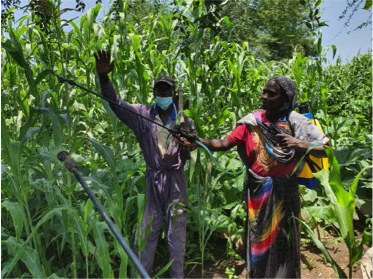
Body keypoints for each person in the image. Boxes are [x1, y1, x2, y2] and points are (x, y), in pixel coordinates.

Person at [197, 77, 329, 279]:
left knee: (285, 240)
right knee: (260, 239)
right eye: (264, 92)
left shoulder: (296, 121)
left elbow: (325, 149)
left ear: (285, 98)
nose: (265, 97)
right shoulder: (253, 121)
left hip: (286, 192)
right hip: (258, 192)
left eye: (271, 93)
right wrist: (198, 141)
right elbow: (225, 143)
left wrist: (298, 143)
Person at [94, 50, 195, 279]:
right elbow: (116, 104)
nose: (163, 93)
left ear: (173, 92)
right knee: (147, 231)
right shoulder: (142, 114)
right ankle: (141, 275)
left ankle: (176, 276)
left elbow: (191, 150)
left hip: (176, 182)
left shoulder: (184, 120)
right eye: (159, 89)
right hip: (153, 181)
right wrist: (103, 79)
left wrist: (188, 140)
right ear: (154, 92)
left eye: (167, 89)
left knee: (176, 234)